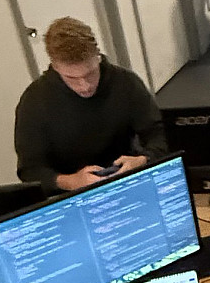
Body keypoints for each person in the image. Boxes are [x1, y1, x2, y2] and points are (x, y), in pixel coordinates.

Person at [14, 17, 167, 194]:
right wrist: (70, 182)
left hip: (126, 180)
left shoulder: (125, 82)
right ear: (55, 67)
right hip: (70, 193)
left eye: (90, 74)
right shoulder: (35, 100)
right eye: (72, 78)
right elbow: (30, 170)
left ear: (98, 57)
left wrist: (143, 160)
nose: (85, 86)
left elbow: (159, 134)